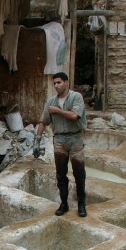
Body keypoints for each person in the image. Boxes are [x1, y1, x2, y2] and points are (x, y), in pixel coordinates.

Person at [36, 72, 87, 217]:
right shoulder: (50, 102)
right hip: (59, 140)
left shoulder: (76, 97)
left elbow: (74, 116)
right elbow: (43, 121)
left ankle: (81, 204)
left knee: (79, 173)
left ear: (66, 83)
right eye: (55, 83)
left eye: (59, 82)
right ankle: (64, 204)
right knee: (60, 174)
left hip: (75, 138)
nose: (56, 85)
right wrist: (37, 141)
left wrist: (57, 111)